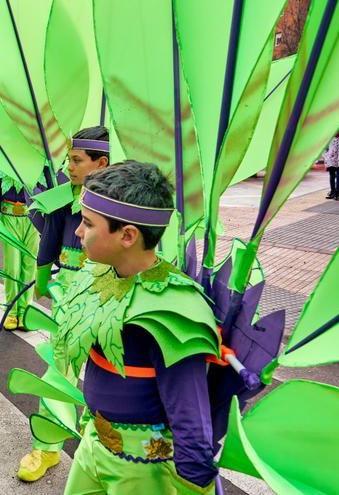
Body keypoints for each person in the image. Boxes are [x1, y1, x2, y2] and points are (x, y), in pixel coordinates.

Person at [57, 161, 219, 494]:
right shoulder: (98, 275)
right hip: (92, 442)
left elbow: (189, 409)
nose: (78, 232)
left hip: (143, 469)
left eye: (87, 223)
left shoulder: (173, 310)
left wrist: (196, 479)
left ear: (128, 235)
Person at [18, 126, 110, 482]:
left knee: (110, 370)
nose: (68, 166)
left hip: (110, 293)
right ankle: (48, 445)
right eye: (68, 159)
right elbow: (50, 239)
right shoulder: (60, 198)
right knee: (60, 368)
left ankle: (99, 442)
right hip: (70, 291)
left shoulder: (120, 201)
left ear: (101, 163)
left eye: (76, 160)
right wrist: (43, 277)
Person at [0, 165, 40, 330]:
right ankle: (11, 311)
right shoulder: (0, 166)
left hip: (33, 220)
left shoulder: (40, 166)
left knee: (30, 267)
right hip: (9, 219)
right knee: (12, 268)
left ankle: (25, 311)